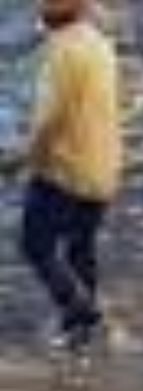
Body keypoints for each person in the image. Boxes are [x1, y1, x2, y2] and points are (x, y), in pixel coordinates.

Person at [2, 0, 120, 351]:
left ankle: (82, 311)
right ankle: (81, 336)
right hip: (103, 169)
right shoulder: (99, 42)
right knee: (80, 248)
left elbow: (49, 119)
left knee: (35, 244)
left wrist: (21, 159)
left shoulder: (63, 51)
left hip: (66, 170)